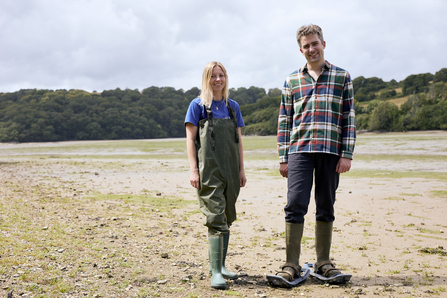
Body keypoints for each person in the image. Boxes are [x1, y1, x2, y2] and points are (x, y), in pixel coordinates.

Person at [275, 24, 356, 285]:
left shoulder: (342, 77)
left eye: (315, 43)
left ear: (323, 43)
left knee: (326, 205)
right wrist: (283, 157)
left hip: (331, 151)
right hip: (299, 151)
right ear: (301, 50)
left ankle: (324, 262)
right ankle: (291, 264)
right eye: (306, 46)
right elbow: (284, 121)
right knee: (295, 204)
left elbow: (348, 118)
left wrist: (347, 154)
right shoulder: (291, 80)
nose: (312, 49)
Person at [185, 61, 247, 289]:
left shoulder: (233, 107)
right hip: (209, 170)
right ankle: (214, 273)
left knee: (227, 215)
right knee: (215, 217)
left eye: (221, 75)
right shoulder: (197, 105)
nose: (218, 80)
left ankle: (220, 267)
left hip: (231, 169)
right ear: (206, 79)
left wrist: (241, 169)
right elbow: (190, 140)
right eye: (213, 76)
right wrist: (193, 170)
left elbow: (238, 141)